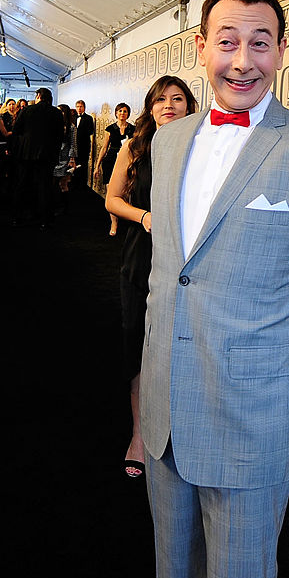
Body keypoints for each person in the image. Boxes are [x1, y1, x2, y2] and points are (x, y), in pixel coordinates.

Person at [140, 0, 289, 578]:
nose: (243, 61)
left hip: (256, 421)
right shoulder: (168, 141)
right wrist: (146, 394)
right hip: (165, 415)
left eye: (260, 44)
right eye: (228, 42)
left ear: (282, 50)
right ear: (200, 47)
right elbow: (168, 277)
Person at [104, 76, 197, 479]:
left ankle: (182, 429)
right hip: (142, 255)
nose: (168, 105)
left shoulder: (203, 146)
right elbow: (112, 199)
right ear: (150, 107)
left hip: (190, 260)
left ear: (190, 105)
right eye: (160, 99)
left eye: (177, 98)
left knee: (184, 343)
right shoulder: (134, 147)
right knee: (138, 343)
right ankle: (140, 435)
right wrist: (145, 218)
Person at [10, 88, 63, 229]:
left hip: (26, 154)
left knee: (22, 185)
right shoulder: (56, 113)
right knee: (45, 187)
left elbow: (16, 131)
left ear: (38, 96)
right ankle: (44, 219)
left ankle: (18, 217)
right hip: (47, 155)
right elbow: (59, 136)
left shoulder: (27, 110)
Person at [95, 102, 134, 234]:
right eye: (120, 111)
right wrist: (97, 166)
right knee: (111, 193)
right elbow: (104, 148)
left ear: (128, 114)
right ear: (116, 113)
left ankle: (127, 218)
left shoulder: (133, 129)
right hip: (110, 161)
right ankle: (114, 223)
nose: (122, 113)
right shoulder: (110, 129)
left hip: (127, 161)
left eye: (125, 111)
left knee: (126, 192)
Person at [73, 99, 95, 187]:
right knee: (73, 165)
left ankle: (82, 185)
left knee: (83, 165)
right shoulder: (73, 117)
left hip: (84, 146)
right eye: (77, 106)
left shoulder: (89, 118)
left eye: (81, 106)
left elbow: (91, 131)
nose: (79, 108)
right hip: (73, 146)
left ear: (84, 108)